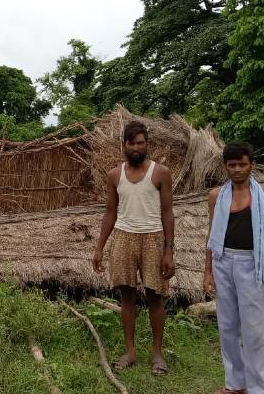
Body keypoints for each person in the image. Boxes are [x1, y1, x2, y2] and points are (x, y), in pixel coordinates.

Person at [92, 120, 175, 375]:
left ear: (147, 144)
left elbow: (168, 212)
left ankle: (157, 354)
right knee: (127, 297)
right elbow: (110, 213)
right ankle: (130, 351)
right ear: (124, 145)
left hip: (153, 237)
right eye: (132, 143)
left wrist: (169, 250)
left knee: (155, 297)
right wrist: (99, 247)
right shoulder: (114, 176)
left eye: (141, 142)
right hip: (123, 238)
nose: (137, 147)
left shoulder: (161, 173)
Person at [204, 142, 264, 394]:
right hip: (223, 261)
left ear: (252, 165)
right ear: (225, 167)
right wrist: (207, 271)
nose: (237, 169)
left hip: (253, 263)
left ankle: (258, 388)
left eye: (242, 164)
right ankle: (235, 384)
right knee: (227, 326)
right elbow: (211, 234)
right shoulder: (216, 196)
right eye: (232, 165)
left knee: (255, 330)